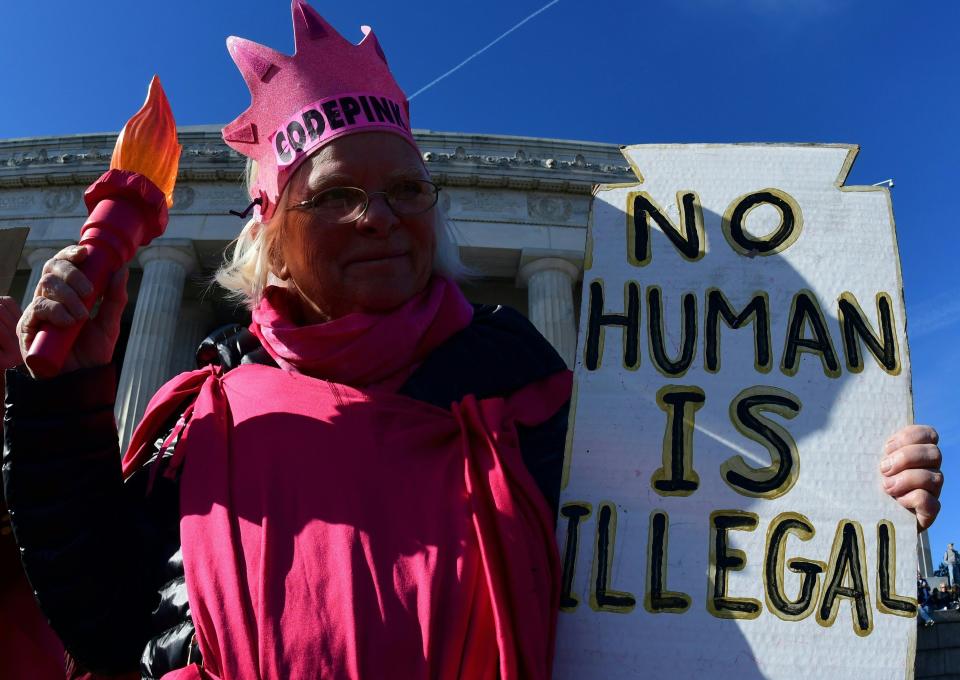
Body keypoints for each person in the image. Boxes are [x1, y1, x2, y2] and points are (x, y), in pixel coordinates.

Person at [1, 2, 945, 679]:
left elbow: (674, 549)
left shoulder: (524, 379)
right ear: (270, 233)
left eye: (408, 190)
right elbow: (104, 613)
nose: (380, 216)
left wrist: (857, 496)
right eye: (334, 195)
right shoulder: (200, 405)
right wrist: (58, 406)